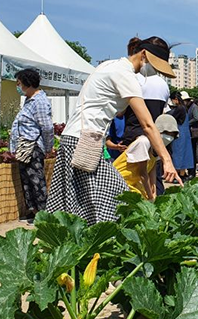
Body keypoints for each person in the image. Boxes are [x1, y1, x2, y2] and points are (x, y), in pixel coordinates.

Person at [47, 36, 181, 225]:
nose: (154, 73)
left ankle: (79, 244)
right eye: (155, 66)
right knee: (116, 195)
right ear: (143, 54)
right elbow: (148, 124)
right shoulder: (125, 75)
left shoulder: (109, 65)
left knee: (80, 202)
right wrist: (167, 160)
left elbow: (113, 109)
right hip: (83, 141)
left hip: (75, 137)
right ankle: (100, 244)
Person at [120, 40, 170, 195]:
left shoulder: (133, 79)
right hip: (152, 139)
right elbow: (161, 116)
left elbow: (121, 113)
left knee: (134, 179)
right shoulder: (163, 84)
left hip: (134, 137)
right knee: (153, 177)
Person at [10, 68, 55, 223]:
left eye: (19, 83)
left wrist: (48, 148)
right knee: (27, 180)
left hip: (34, 147)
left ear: (28, 84)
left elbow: (47, 127)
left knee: (37, 181)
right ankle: (33, 212)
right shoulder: (29, 101)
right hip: (25, 147)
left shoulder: (40, 101)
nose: (18, 86)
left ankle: (43, 215)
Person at [112, 114, 179, 200]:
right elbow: (143, 173)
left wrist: (153, 191)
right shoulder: (143, 142)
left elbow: (152, 169)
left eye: (172, 134)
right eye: (166, 133)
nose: (169, 137)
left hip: (133, 182)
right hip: (118, 181)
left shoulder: (157, 148)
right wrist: (150, 196)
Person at [168, 91, 194, 180]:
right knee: (185, 154)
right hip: (186, 133)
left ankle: (177, 175)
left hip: (179, 133)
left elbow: (172, 118)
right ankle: (182, 174)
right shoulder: (185, 107)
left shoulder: (179, 108)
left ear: (175, 99)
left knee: (177, 154)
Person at [185, 92, 198, 178]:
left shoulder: (193, 107)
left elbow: (196, 118)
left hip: (193, 132)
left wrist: (186, 123)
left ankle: (192, 172)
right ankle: (189, 171)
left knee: (193, 153)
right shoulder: (187, 107)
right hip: (188, 132)